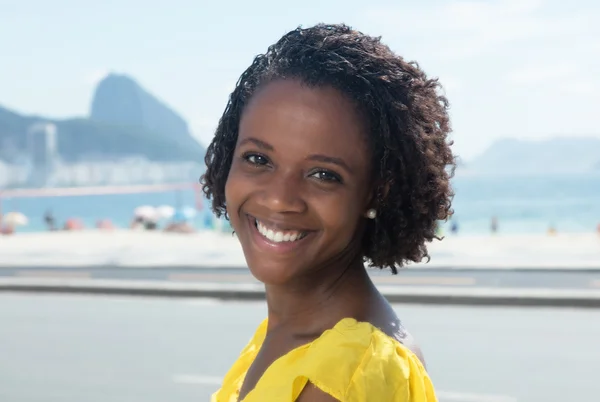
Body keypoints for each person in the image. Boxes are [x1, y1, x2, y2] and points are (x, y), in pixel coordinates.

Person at [203, 23, 455, 402]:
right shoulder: (285, 338)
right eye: (258, 158)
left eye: (323, 175)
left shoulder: (346, 375)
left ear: (377, 191)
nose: (279, 199)